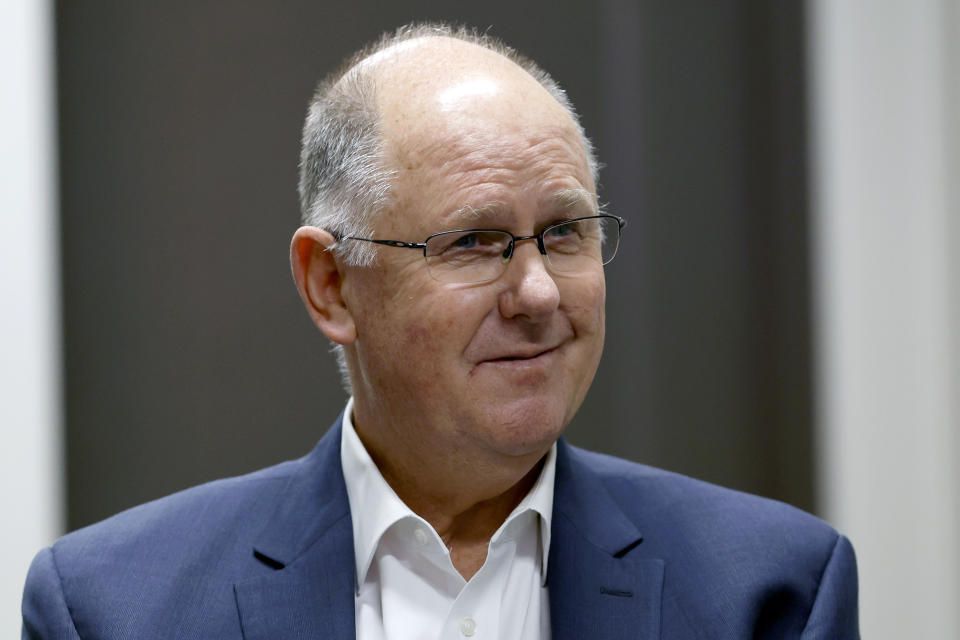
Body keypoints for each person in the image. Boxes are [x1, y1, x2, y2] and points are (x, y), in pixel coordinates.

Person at [22, 23, 859, 639]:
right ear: (331, 285)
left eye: (565, 232)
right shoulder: (114, 610)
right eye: (474, 241)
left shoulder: (771, 592)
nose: (536, 292)